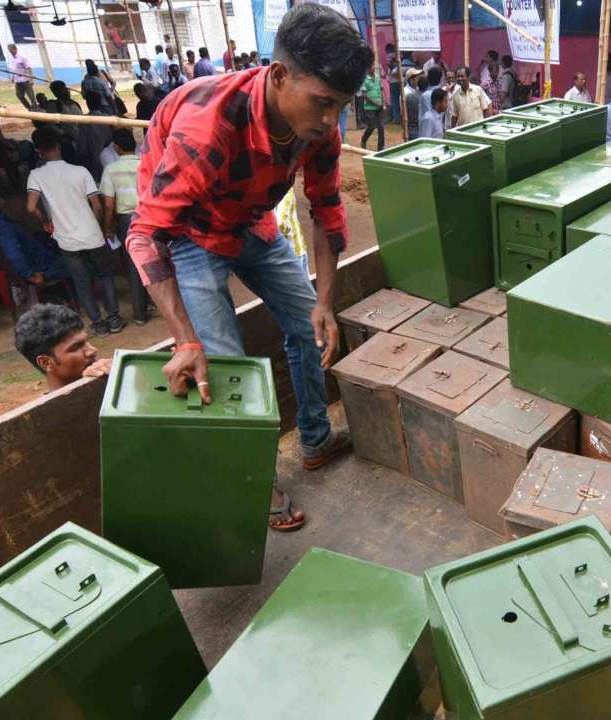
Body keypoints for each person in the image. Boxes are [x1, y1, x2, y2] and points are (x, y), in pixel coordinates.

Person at [125, 3, 369, 531]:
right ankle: (257, 482)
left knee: (311, 325)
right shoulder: (207, 127)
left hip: (250, 222)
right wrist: (185, 341)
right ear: (280, 76)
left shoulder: (320, 129)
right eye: (323, 102)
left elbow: (325, 211)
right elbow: (146, 235)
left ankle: (315, 438)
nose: (330, 122)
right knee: (223, 363)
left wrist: (325, 301)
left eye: (342, 106)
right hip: (189, 236)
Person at [26, 126, 123, 335]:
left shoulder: (36, 175)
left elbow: (31, 207)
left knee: (82, 282)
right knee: (105, 275)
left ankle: (98, 325)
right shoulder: (80, 171)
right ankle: (114, 320)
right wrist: (99, 226)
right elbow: (97, 205)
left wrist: (45, 221)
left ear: (39, 152)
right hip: (92, 234)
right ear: (58, 147)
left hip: (66, 239)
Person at [99, 129, 150, 325]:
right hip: (149, 215)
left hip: (128, 221)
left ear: (117, 148)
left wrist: (108, 226)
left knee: (134, 265)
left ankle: (140, 314)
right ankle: (159, 303)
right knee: (157, 260)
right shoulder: (145, 163)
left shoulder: (111, 169)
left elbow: (109, 204)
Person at [16, 303, 113, 391]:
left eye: (86, 342)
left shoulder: (110, 379)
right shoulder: (52, 410)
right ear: (46, 362)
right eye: (75, 347)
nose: (92, 350)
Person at [359, 63, 384, 151]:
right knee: (372, 126)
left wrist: (383, 102)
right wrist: (375, 103)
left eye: (373, 66)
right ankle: (363, 140)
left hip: (379, 106)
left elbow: (381, 90)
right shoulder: (365, 79)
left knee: (381, 126)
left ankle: (381, 147)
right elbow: (364, 95)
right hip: (369, 107)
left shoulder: (378, 78)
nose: (372, 68)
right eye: (370, 66)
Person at [7, 44, 37, 110]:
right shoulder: (11, 59)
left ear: (15, 49)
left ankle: (36, 110)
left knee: (31, 97)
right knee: (19, 95)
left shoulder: (22, 58)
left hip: (25, 80)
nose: (11, 52)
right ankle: (29, 108)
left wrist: (31, 79)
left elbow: (28, 68)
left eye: (12, 50)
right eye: (9, 51)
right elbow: (14, 69)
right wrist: (13, 77)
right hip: (18, 81)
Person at [403, 68, 423, 140]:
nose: (419, 79)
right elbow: (403, 114)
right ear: (411, 80)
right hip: (412, 127)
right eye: (417, 77)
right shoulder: (405, 93)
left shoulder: (419, 90)